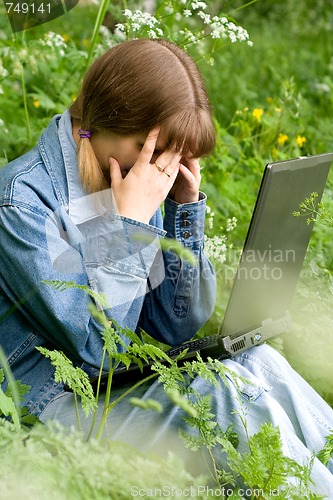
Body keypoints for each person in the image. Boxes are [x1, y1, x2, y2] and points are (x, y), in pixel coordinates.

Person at [0, 38, 332, 496]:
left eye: (174, 158)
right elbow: (100, 349)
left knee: (258, 360)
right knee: (221, 396)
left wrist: (183, 209)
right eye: (151, 148)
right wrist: (128, 223)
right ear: (99, 122)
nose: (161, 169)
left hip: (103, 389)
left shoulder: (133, 175)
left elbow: (176, 324)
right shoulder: (22, 205)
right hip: (49, 409)